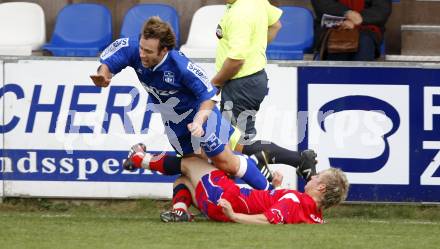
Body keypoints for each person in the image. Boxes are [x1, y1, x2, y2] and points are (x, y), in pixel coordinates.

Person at [90, 16, 274, 191]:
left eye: (148, 52)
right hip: (175, 124)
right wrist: (103, 74)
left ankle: (271, 193)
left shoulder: (181, 67)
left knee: (226, 162)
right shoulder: (134, 47)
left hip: (201, 117)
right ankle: (249, 171)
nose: (142, 54)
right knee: (196, 169)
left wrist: (199, 121)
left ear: (164, 51)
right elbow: (109, 62)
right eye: (141, 48)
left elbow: (208, 96)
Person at [157, 156, 349, 224]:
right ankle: (180, 212)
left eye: (317, 177)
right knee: (183, 180)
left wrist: (233, 215)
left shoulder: (295, 200)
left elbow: (267, 219)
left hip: (226, 198)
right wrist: (276, 188)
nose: (313, 177)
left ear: (321, 187)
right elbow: (286, 211)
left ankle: (138, 159)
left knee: (191, 162)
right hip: (224, 203)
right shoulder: (315, 215)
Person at [212, 0, 282, 144]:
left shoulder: (240, 14)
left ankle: (293, 159)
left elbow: (236, 61)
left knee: (234, 144)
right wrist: (254, 47)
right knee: (237, 140)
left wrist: (216, 82)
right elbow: (276, 25)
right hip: (251, 80)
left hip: (240, 83)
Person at [311, 0, 392, 61]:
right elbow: (322, 4)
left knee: (364, 42)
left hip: (366, 28)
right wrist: (347, 13)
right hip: (333, 27)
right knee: (337, 44)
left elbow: (382, 9)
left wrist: (360, 18)